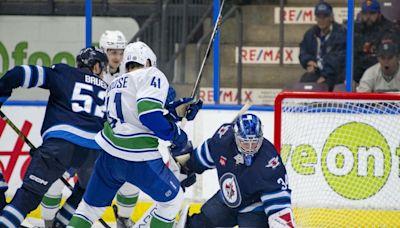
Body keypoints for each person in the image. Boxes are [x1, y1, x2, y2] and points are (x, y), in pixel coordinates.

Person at [67, 41, 195, 228]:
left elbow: (134, 115)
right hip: (138, 158)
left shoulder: (114, 83)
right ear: (149, 62)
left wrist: (174, 114)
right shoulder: (151, 74)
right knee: (172, 201)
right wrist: (177, 135)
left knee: (89, 209)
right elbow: (149, 115)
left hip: (109, 157)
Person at [0, 46, 108, 228]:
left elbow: (20, 73)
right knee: (84, 191)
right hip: (93, 152)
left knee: (27, 197)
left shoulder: (64, 73)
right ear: (96, 67)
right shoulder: (108, 90)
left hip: (59, 146)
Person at [173, 113, 295, 227]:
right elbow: (206, 155)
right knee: (198, 223)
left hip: (254, 208)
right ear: (235, 137)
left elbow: (279, 207)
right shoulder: (223, 140)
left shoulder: (270, 163)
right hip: (228, 198)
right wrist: (187, 166)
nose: (250, 148)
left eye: (254, 143)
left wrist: (281, 222)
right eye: (245, 143)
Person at [298, 1, 346, 91]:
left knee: (327, 85)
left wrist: (325, 75)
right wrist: (309, 61)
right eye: (319, 16)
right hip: (317, 72)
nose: (321, 20)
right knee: (305, 82)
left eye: (324, 17)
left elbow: (338, 59)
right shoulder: (310, 34)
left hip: (335, 74)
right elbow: (303, 51)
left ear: (331, 17)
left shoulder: (341, 33)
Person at [353, 0, 399, 84]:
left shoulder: (389, 29)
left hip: (381, 74)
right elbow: (352, 54)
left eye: (372, 13)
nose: (368, 17)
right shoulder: (356, 29)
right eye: (365, 13)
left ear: (379, 14)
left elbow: (386, 56)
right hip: (358, 74)